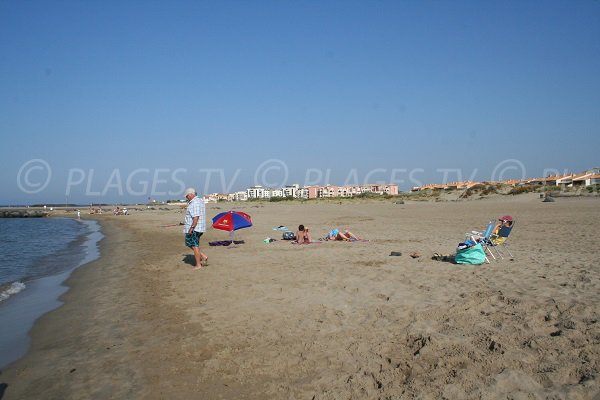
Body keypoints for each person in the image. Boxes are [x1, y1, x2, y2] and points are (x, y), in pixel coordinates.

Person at [184, 187, 208, 269]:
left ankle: (198, 265)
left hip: (195, 228)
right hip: (197, 227)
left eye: (187, 196)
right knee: (188, 242)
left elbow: (196, 217)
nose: (186, 198)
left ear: (191, 194)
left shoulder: (195, 203)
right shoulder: (199, 201)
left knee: (194, 245)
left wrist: (192, 227)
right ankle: (203, 256)